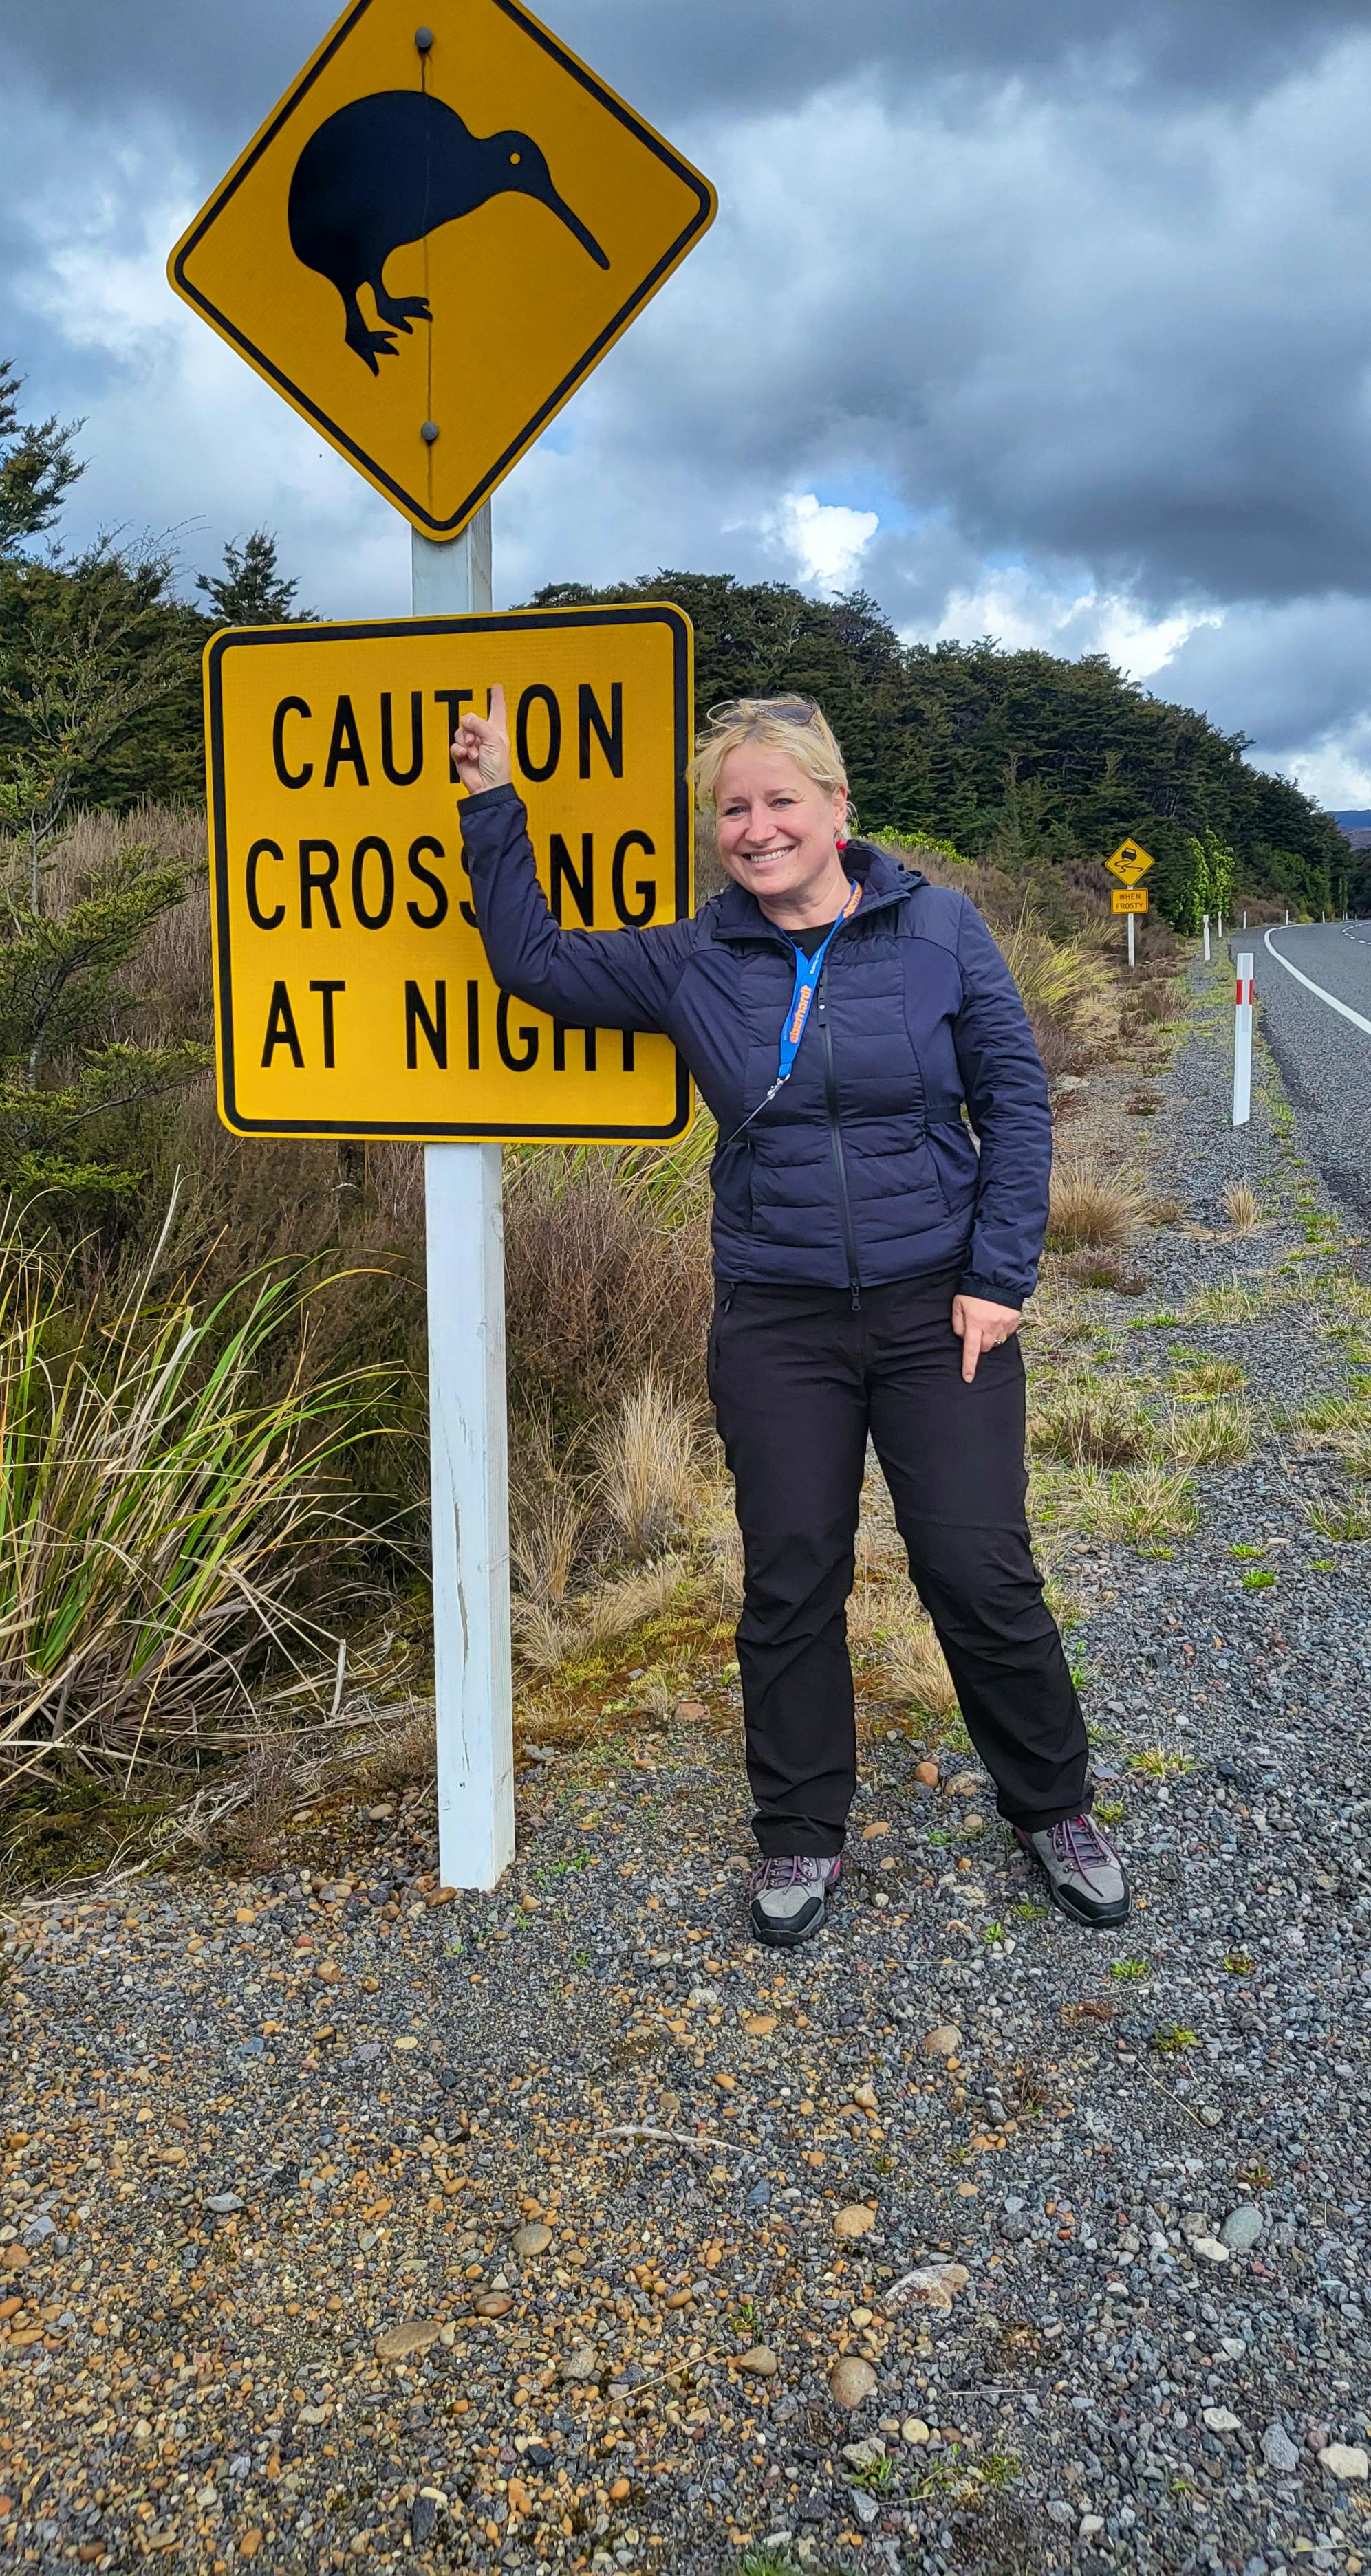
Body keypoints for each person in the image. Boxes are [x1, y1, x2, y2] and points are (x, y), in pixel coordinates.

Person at [450, 686, 1128, 1947]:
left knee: (977, 1571)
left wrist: (999, 1275)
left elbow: (1018, 1101)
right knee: (791, 1578)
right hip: (778, 1318)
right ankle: (802, 1832)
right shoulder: (693, 955)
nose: (756, 829)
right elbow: (532, 963)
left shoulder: (941, 929)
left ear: (836, 807)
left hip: (943, 1312)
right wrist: (493, 804)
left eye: (779, 802)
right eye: (732, 809)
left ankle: (1055, 1805)